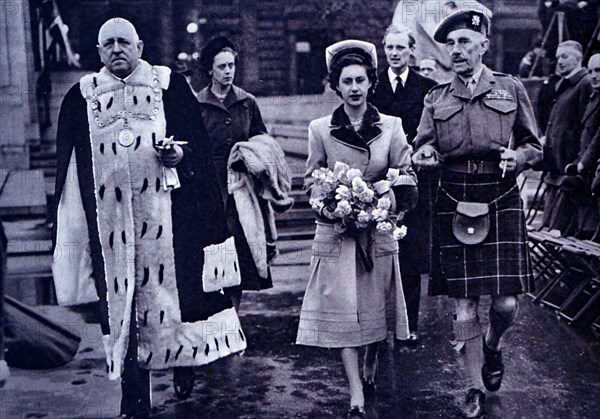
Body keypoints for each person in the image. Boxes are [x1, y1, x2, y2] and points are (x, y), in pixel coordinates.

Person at [51, 18, 246, 417]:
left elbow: (196, 148)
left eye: (125, 42)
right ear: (100, 52)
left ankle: (181, 363)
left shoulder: (168, 88)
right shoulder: (82, 97)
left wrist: (179, 156)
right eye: (109, 44)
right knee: (123, 309)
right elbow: (69, 170)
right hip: (111, 228)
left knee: (176, 300)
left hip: (171, 221)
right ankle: (133, 392)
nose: (117, 49)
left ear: (139, 46)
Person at [412, 11, 542, 418]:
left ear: (484, 45)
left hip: (500, 197)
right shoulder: (436, 98)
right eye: (451, 44)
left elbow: (535, 147)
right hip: (453, 197)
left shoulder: (511, 88)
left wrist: (518, 157)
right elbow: (422, 148)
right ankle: (472, 386)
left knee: (504, 305)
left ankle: (491, 347)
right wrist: (426, 155)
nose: (457, 51)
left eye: (465, 42)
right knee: (464, 306)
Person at [296, 40, 417, 418]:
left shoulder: (392, 128)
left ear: (371, 83)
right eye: (346, 81)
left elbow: (408, 176)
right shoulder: (320, 129)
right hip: (338, 234)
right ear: (336, 86)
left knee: (375, 311)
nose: (353, 88)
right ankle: (355, 395)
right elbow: (311, 178)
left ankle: (370, 367)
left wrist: (386, 198)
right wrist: (330, 200)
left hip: (377, 231)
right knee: (344, 313)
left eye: (360, 80)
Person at [370, 25, 437, 346]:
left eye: (400, 48)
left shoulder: (428, 88)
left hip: (414, 182)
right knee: (376, 250)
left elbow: (434, 135)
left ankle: (408, 324)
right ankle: (375, 325)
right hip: (378, 180)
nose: (394, 54)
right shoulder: (371, 86)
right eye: (389, 48)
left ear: (412, 51)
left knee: (410, 252)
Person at [196, 36, 274, 311]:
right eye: (222, 66)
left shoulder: (246, 102)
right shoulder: (198, 105)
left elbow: (263, 141)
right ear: (209, 70)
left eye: (231, 65)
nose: (228, 71)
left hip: (241, 191)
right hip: (209, 193)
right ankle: (217, 324)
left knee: (239, 259)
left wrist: (251, 157)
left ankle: (235, 321)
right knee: (213, 259)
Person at [541, 40, 593, 231]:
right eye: (557, 58)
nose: (559, 62)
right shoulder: (563, 84)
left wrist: (579, 160)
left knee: (564, 225)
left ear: (578, 58)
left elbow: (586, 126)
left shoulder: (585, 83)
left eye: (565, 56)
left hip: (570, 165)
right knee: (551, 224)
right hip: (556, 164)